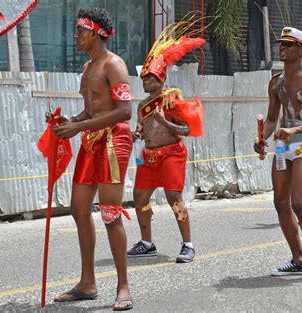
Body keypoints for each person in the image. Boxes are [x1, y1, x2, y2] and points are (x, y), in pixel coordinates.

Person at [49, 8, 133, 310]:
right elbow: (90, 112)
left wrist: (79, 127)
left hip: (115, 139)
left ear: (98, 33)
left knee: (110, 213)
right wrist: (66, 122)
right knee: (79, 207)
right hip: (91, 138)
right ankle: (88, 283)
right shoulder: (87, 68)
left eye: (81, 30)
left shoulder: (115, 64)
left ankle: (123, 286)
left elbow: (125, 111)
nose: (76, 36)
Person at [254, 27, 302, 281]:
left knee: (299, 202)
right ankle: (298, 259)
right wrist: (260, 138)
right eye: (281, 44)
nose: (282, 47)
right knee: (280, 202)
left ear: (301, 50)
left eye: (288, 44)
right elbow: (271, 118)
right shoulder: (276, 82)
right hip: (281, 146)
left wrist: (296, 129)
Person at [126, 19, 205, 263]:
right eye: (143, 78)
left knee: (174, 198)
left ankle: (188, 244)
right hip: (148, 157)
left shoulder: (172, 99)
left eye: (148, 78)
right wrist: (135, 135)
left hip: (171, 154)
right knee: (140, 198)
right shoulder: (142, 105)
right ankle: (147, 242)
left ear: (160, 78)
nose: (144, 82)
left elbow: (185, 130)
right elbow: (143, 130)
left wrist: (164, 123)